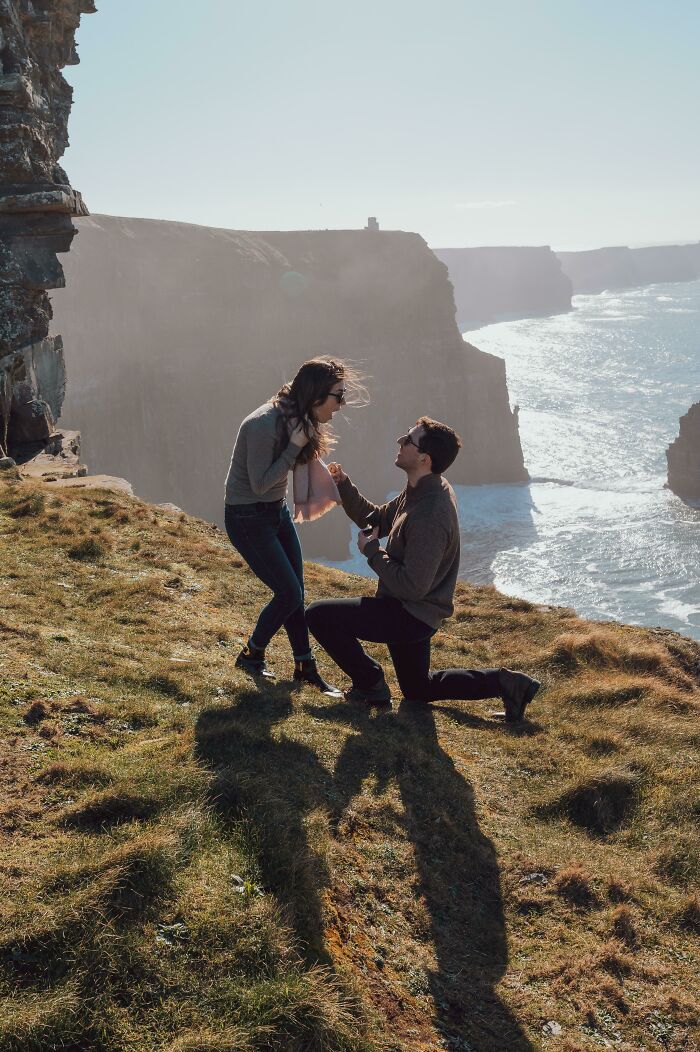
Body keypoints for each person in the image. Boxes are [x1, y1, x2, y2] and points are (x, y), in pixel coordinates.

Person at [306, 417, 540, 719]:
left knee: (318, 615)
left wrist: (373, 553)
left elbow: (412, 586)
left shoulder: (430, 513)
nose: (400, 442)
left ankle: (370, 683)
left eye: (408, 440)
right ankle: (507, 683)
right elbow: (376, 519)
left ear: (423, 458)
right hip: (414, 611)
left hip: (409, 614)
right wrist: (343, 485)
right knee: (418, 689)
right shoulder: (422, 488)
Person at [225, 357, 363, 696]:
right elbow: (259, 483)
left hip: (274, 511)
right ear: (316, 395)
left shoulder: (296, 418)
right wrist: (294, 448)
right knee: (288, 593)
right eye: (338, 396)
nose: (341, 404)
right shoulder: (264, 424)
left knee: (295, 593)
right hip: (247, 517)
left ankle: (305, 666)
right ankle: (252, 654)